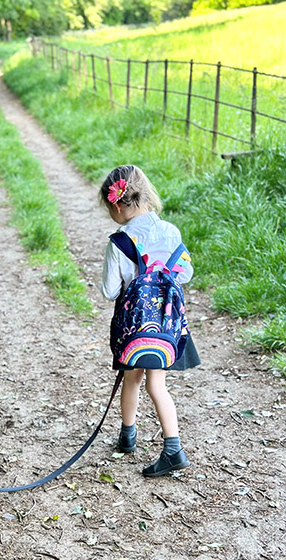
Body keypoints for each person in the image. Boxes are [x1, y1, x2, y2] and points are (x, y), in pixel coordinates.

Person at [100, 164, 200, 478]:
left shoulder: (120, 242)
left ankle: (137, 440)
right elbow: (185, 273)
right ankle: (167, 444)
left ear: (116, 205)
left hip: (134, 329)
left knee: (132, 378)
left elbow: (109, 291)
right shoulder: (171, 231)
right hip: (167, 327)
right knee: (158, 385)